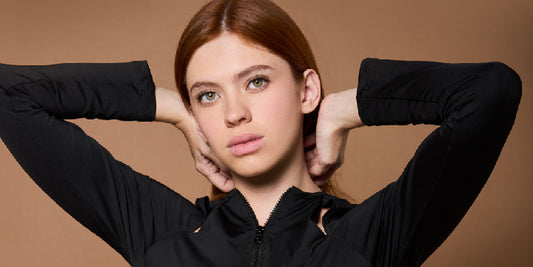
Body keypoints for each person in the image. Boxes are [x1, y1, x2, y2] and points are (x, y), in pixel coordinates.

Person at [0, 0, 521, 266]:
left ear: (304, 89)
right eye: (208, 94)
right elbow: (10, 94)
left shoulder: (367, 239)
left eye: (256, 81)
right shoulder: (165, 237)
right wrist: (173, 108)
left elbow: (489, 92)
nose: (233, 114)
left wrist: (344, 108)